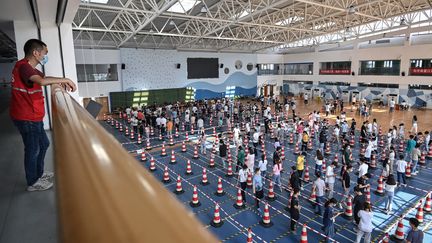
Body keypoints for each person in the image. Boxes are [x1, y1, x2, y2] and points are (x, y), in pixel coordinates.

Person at [10, 39, 76, 191]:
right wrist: (66, 79)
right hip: (27, 118)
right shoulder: (24, 68)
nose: (46, 56)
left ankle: (38, 174)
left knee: (44, 144)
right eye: (45, 53)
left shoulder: (29, 68)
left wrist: (59, 82)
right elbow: (40, 81)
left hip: (33, 116)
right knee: (32, 149)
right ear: (36, 53)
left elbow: (45, 79)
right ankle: (33, 182)